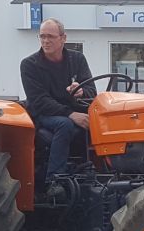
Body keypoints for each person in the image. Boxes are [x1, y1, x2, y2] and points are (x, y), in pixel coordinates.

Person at [20, 18, 96, 180]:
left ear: (63, 38)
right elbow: (39, 101)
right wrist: (71, 114)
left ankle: (96, 171)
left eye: (50, 37)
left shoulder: (77, 60)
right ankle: (55, 179)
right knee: (65, 124)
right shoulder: (29, 65)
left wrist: (81, 91)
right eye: (42, 36)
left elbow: (92, 92)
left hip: (72, 111)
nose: (46, 41)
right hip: (44, 114)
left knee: (99, 121)